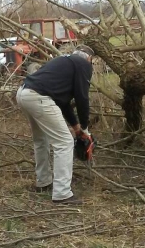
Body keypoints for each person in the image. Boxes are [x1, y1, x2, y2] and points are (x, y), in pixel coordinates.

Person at [16, 45, 94, 205]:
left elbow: (61, 102)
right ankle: (62, 193)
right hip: (39, 97)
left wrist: (76, 127)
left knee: (40, 140)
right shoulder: (83, 64)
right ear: (89, 58)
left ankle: (43, 182)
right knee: (64, 143)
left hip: (23, 93)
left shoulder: (63, 62)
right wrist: (85, 129)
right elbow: (82, 98)